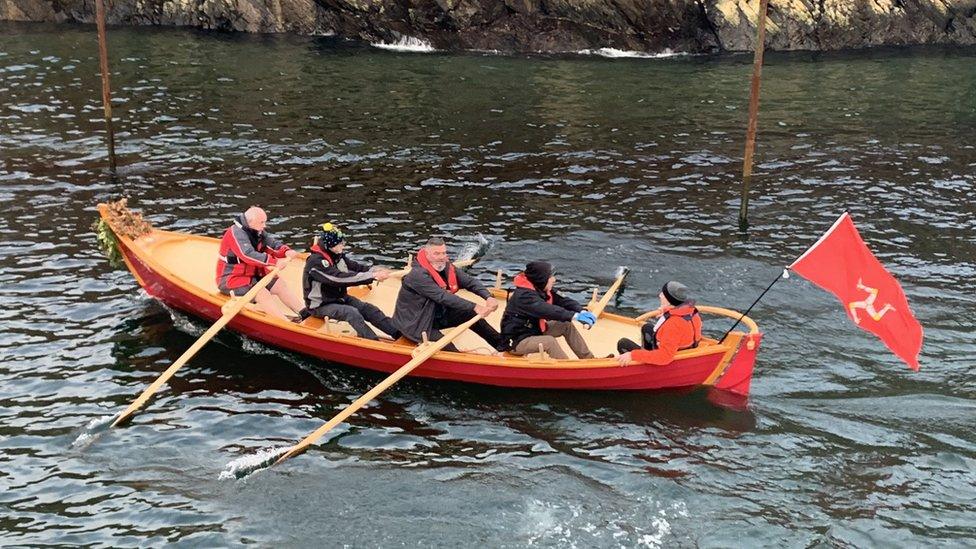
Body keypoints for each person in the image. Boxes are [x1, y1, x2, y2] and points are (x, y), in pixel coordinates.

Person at [393, 237, 505, 353]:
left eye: (443, 253)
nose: (441, 257)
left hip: (435, 315)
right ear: (427, 254)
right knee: (449, 349)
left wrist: (488, 296)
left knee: (471, 315)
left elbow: (469, 281)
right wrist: (475, 306)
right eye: (437, 254)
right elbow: (443, 297)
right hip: (416, 324)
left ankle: (502, 345)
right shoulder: (418, 275)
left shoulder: (445, 266)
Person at [299, 223, 400, 340]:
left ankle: (397, 333)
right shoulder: (316, 263)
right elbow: (338, 278)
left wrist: (374, 270)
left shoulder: (336, 255)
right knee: (351, 313)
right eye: (340, 243)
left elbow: (355, 267)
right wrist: (372, 276)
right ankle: (373, 342)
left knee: (368, 309)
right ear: (331, 245)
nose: (343, 246)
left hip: (339, 297)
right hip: (320, 305)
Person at [215, 206, 303, 321]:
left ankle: (304, 313)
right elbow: (247, 254)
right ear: (250, 222)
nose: (264, 225)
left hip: (253, 275)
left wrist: (286, 251)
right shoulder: (235, 233)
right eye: (262, 222)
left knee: (279, 284)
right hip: (231, 279)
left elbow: (272, 244)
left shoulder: (257, 230)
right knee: (261, 293)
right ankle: (285, 324)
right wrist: (274, 262)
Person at [501, 261, 597, 359]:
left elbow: (564, 301)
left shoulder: (540, 288)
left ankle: (588, 359)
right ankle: (566, 369)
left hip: (534, 330)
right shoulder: (525, 296)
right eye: (550, 277)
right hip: (516, 340)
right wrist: (575, 316)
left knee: (565, 325)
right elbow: (548, 310)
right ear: (541, 279)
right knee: (549, 341)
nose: (554, 280)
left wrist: (581, 311)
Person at [617, 281, 702, 366]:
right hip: (685, 348)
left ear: (669, 301)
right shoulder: (692, 312)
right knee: (647, 328)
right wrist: (666, 312)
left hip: (669, 360)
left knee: (623, 344)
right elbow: (682, 322)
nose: (660, 295)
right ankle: (646, 355)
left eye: (663, 294)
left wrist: (632, 355)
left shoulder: (672, 324)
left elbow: (664, 357)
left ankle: (644, 367)